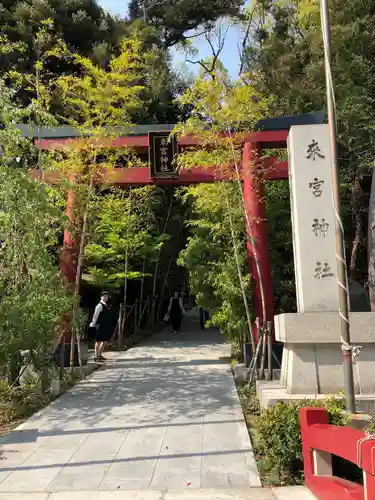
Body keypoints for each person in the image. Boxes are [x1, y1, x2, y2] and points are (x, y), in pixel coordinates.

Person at [89, 291, 112, 362]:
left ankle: (99, 354)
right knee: (98, 341)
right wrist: (93, 324)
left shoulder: (106, 305)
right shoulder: (99, 305)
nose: (105, 297)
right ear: (101, 297)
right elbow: (95, 316)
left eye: (106, 296)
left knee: (105, 340)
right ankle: (96, 356)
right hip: (99, 325)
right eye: (104, 296)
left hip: (105, 325)